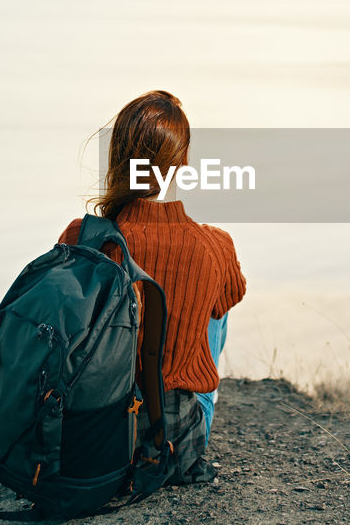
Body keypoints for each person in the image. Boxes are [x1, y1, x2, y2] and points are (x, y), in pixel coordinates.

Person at [57, 90, 245, 484]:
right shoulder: (213, 245)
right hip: (171, 443)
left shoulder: (81, 237)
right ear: (182, 163)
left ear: (117, 160)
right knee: (214, 306)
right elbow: (232, 295)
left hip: (90, 442)